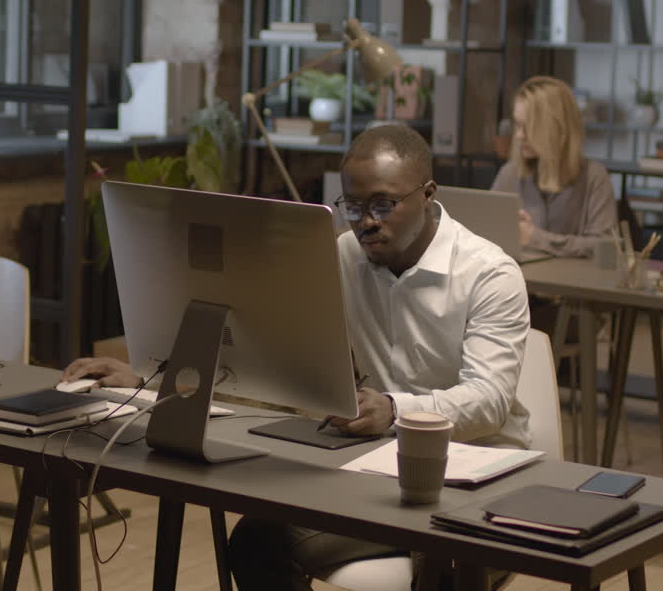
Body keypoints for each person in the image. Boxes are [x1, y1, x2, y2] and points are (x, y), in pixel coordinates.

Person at [64, 125, 530, 589]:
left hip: (479, 477)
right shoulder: (345, 255)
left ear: (427, 194)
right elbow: (268, 349)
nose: (366, 221)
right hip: (380, 467)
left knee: (441, 565)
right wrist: (149, 376)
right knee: (255, 543)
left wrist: (393, 409)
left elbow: (489, 400)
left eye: (383, 204)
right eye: (353, 206)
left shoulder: (489, 274)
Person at [491, 75, 617, 258]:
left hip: (571, 284)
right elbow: (483, 234)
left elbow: (606, 248)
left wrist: (535, 238)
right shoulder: (510, 174)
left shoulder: (594, 177)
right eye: (518, 125)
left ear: (555, 128)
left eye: (528, 127)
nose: (519, 136)